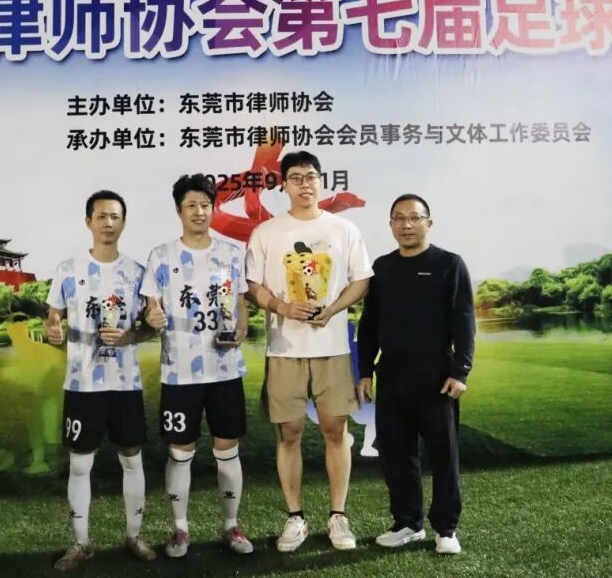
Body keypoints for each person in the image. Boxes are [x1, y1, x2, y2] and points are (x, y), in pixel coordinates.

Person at [245, 150, 373, 552]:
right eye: (296, 177)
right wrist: (282, 307)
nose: (305, 184)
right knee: (289, 433)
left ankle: (338, 516)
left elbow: (361, 280)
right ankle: (295, 517)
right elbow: (253, 285)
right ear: (283, 184)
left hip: (332, 347)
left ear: (321, 181)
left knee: (336, 430)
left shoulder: (343, 229)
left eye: (311, 176)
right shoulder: (267, 232)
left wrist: (333, 309)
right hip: (284, 349)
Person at [141, 174, 254, 558]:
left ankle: (231, 525)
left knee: (227, 448)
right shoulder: (161, 256)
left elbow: (241, 302)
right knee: (181, 450)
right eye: (192, 205)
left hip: (224, 370)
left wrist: (241, 328)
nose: (199, 212)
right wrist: (152, 315)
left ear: (213, 208)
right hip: (180, 372)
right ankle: (180, 529)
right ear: (179, 211)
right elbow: (151, 306)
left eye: (205, 205)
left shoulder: (232, 254)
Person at [44, 190, 157, 571]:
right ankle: (81, 544)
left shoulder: (137, 273)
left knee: (132, 460)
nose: (108, 223)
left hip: (125, 384)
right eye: (101, 216)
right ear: (88, 221)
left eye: (115, 217)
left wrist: (130, 336)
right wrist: (53, 328)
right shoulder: (68, 269)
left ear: (123, 223)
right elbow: (53, 317)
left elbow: (150, 327)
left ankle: (134, 536)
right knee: (80, 465)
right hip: (82, 385)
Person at [357, 193, 475, 556]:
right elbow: (369, 325)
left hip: (437, 376)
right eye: (399, 218)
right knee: (397, 454)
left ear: (428, 222)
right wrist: (365, 371)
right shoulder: (381, 268)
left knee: (443, 455)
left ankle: (446, 528)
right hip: (392, 374)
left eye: (414, 217)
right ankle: (408, 523)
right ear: (390, 224)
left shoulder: (449, 264)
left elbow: (464, 321)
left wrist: (461, 370)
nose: (407, 224)